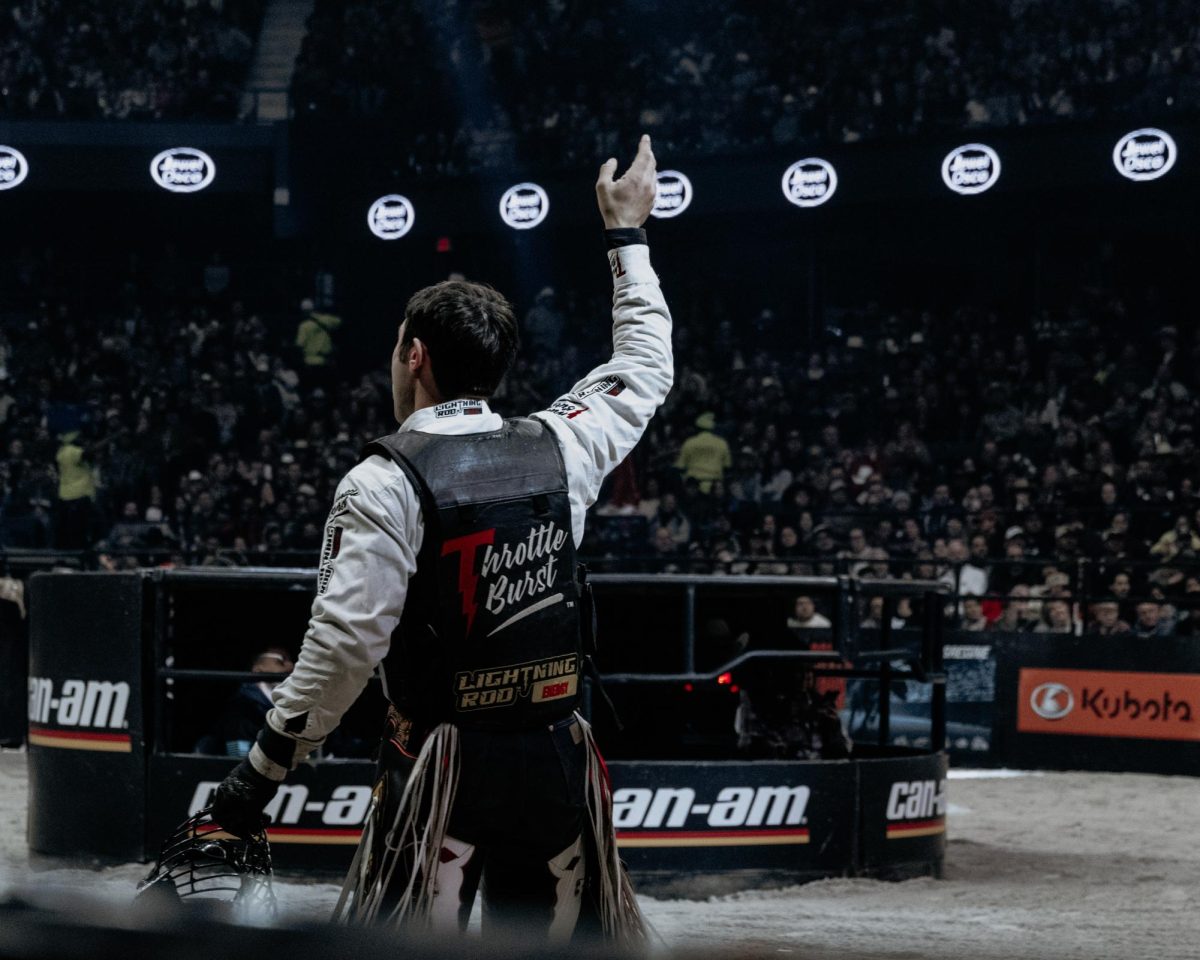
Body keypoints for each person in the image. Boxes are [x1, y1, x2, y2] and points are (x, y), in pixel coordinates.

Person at [211, 136, 669, 944]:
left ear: (413, 355)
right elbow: (644, 362)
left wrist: (261, 774)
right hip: (556, 757)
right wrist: (626, 234)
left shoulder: (385, 480)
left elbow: (346, 646)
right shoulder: (562, 443)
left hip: (440, 766)